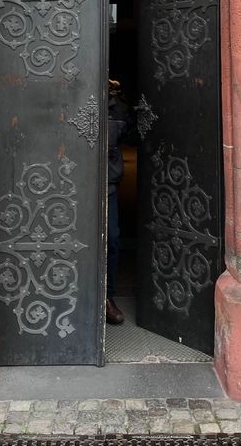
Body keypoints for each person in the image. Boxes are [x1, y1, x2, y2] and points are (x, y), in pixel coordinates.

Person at [106, 78, 133, 325]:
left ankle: (107, 297)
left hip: (107, 184)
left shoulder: (119, 109)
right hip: (71, 184)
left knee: (112, 240)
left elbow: (133, 137)